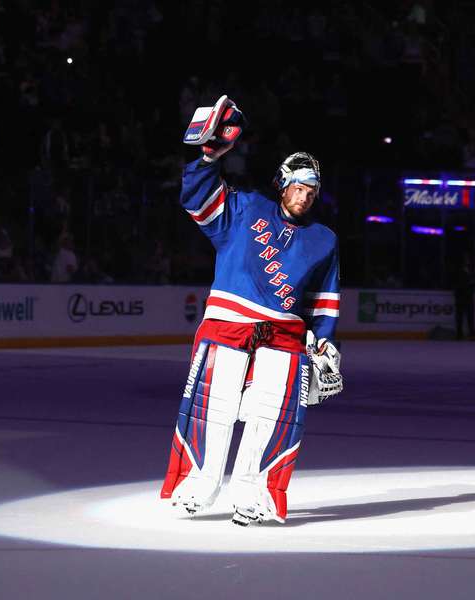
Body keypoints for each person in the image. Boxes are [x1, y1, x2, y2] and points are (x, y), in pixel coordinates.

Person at [161, 96, 343, 527]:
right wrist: (210, 157)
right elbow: (195, 199)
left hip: (284, 334)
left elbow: (324, 299)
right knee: (214, 407)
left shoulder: (325, 239)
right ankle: (199, 485)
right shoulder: (245, 207)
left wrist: (323, 340)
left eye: (311, 191)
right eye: (298, 187)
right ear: (282, 184)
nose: (304, 196)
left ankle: (254, 493)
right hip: (229, 322)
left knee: (270, 416)